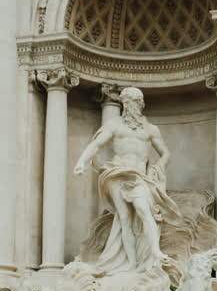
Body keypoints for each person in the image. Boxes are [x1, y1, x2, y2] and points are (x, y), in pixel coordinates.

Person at [73, 87, 181, 275]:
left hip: (138, 176)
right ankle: (131, 263)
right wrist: (81, 162)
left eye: (132, 102)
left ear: (140, 104)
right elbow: (96, 145)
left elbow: (165, 153)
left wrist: (159, 166)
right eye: (126, 102)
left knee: (144, 210)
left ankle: (155, 252)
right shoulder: (115, 125)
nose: (129, 106)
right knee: (124, 218)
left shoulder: (150, 129)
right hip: (116, 173)